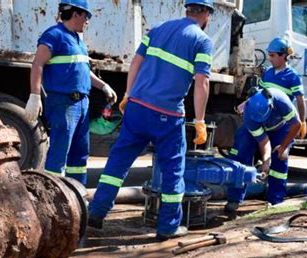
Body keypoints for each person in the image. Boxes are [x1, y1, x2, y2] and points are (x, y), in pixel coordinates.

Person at [88, 0, 214, 241]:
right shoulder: (202, 41)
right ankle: (167, 227)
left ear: (187, 8)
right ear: (207, 13)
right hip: (167, 116)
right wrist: (199, 120)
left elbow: (135, 62)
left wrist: (128, 94)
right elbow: (202, 82)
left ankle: (97, 213)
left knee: (118, 162)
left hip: (137, 107)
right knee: (172, 171)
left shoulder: (158, 28)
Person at [25, 0, 117, 185]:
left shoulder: (77, 40)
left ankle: (77, 193)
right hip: (64, 103)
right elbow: (38, 64)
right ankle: (52, 194)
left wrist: (103, 85)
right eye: (87, 16)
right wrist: (35, 95)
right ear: (76, 14)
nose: (87, 22)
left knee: (79, 154)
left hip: (81, 103)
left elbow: (82, 69)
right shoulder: (54, 35)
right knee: (59, 151)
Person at [225, 87, 301, 212]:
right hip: (256, 130)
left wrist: (284, 146)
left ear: (271, 106)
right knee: (241, 154)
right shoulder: (249, 114)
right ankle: (234, 199)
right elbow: (263, 141)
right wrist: (266, 161)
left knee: (280, 158)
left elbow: (296, 125)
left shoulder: (281, 101)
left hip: (280, 128)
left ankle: (276, 201)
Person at [259, 37, 307, 139]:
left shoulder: (293, 76)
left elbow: (300, 101)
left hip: (281, 125)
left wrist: (302, 122)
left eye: (273, 55)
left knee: (280, 154)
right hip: (263, 122)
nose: (270, 58)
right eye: (269, 55)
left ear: (283, 56)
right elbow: (258, 95)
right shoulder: (267, 73)